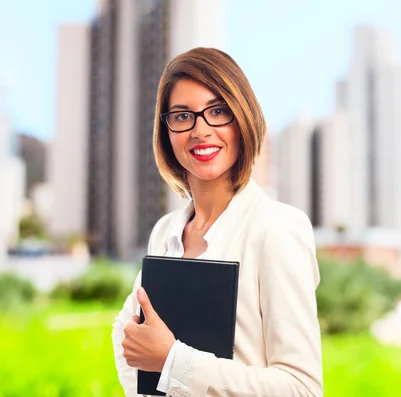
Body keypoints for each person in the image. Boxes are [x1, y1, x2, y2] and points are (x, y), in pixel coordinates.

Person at [111, 47, 323, 397]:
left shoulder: (277, 229)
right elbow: (127, 337)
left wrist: (173, 361)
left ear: (243, 118)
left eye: (218, 111)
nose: (200, 130)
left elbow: (302, 388)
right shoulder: (166, 233)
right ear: (166, 131)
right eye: (182, 116)